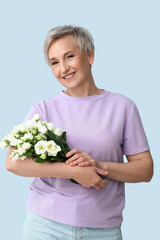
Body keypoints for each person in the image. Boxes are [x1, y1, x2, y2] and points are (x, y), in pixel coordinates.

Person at [6, 25, 153, 240]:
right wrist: (72, 171)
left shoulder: (123, 107)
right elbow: (13, 162)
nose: (63, 68)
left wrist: (99, 166)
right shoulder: (43, 109)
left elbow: (145, 170)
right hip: (44, 225)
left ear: (90, 55)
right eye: (54, 62)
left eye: (70, 56)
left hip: (103, 229)